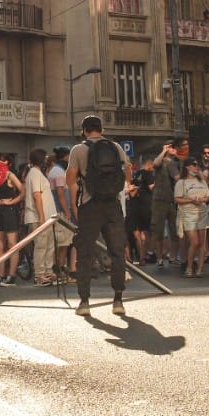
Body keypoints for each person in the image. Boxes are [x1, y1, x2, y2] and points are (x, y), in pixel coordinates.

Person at [66, 115, 132, 317]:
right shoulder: (115, 147)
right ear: (101, 129)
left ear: (84, 130)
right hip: (112, 205)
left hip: (89, 205)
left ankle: (84, 301)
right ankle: (118, 300)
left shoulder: (78, 150)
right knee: (117, 252)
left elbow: (70, 180)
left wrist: (75, 206)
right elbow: (128, 169)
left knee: (85, 254)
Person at [23, 148, 59, 286]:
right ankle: (40, 274)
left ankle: (48, 271)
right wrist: (42, 217)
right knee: (41, 245)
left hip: (48, 216)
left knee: (49, 245)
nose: (46, 160)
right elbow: (37, 195)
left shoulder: (37, 173)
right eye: (44, 158)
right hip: (39, 217)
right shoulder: (34, 174)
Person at [174, 157, 209, 277]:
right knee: (194, 242)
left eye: (197, 165)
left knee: (202, 242)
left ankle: (200, 268)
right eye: (194, 165)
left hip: (202, 212)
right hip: (188, 213)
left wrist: (202, 199)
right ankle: (189, 266)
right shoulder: (182, 182)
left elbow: (208, 196)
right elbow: (177, 199)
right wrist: (191, 200)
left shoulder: (201, 181)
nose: (196, 167)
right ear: (187, 167)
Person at [0, 156, 23, 286]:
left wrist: (12, 201)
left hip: (10, 211)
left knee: (12, 243)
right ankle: (1, 274)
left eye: (3, 161)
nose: (0, 163)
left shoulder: (10, 175)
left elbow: (23, 191)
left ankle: (12, 275)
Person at [150, 140, 181, 267]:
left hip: (173, 200)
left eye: (174, 147)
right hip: (159, 199)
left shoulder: (176, 162)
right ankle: (159, 258)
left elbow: (178, 178)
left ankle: (173, 257)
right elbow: (155, 163)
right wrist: (164, 150)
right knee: (158, 230)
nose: (173, 149)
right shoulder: (161, 161)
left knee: (175, 230)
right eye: (170, 147)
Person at [48, 146, 75, 281]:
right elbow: (60, 194)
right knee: (63, 244)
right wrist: (67, 212)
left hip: (56, 211)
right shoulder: (59, 172)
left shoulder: (54, 171)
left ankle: (58, 269)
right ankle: (58, 269)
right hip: (60, 213)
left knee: (60, 243)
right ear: (65, 157)